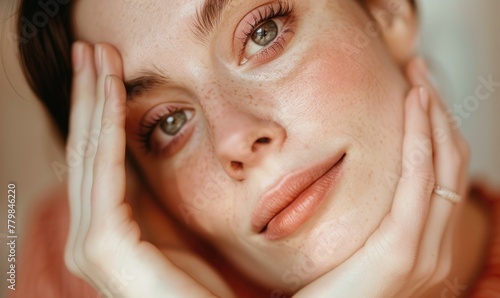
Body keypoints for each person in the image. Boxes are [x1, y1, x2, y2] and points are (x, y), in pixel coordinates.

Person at [11, 0, 500, 297]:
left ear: (385, 10)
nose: (234, 139)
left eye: (262, 32)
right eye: (169, 123)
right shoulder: (84, 271)